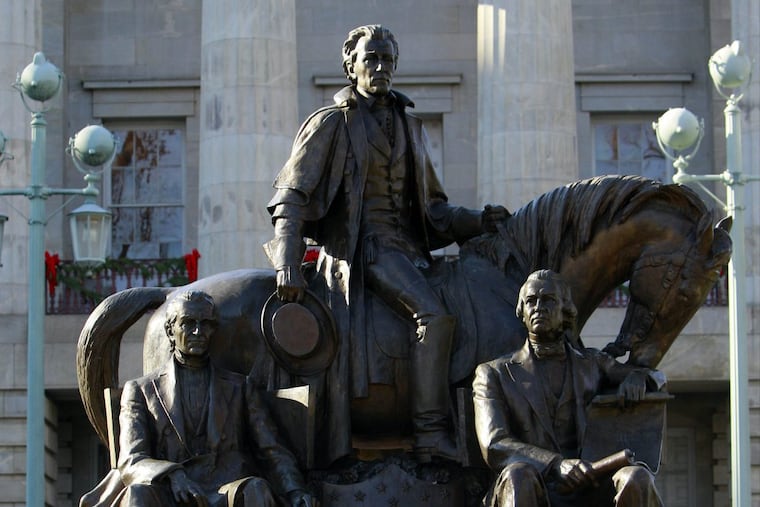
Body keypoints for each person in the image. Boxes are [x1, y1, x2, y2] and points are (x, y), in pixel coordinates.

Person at [265, 24, 508, 464]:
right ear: (351, 65)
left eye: (388, 61)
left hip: (411, 253)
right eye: (371, 59)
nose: (380, 68)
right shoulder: (331, 122)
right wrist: (288, 263)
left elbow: (435, 212)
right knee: (434, 315)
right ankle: (431, 433)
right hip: (364, 252)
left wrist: (480, 221)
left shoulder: (411, 127)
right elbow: (291, 195)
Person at [82, 290, 313, 507]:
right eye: (188, 323)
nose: (197, 332)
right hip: (169, 491)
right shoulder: (142, 390)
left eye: (206, 324)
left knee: (256, 489)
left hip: (226, 490)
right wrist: (172, 474)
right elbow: (131, 459)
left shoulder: (240, 387)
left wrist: (295, 490)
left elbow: (271, 448)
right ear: (171, 330)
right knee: (137, 493)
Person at [472, 270, 664, 506]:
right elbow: (494, 443)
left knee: (636, 476)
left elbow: (654, 376)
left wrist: (638, 378)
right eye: (531, 301)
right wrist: (554, 464)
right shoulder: (494, 373)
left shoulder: (593, 363)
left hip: (591, 484)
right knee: (517, 473)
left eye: (549, 300)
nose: (539, 307)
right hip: (533, 484)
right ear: (521, 312)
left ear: (566, 311)